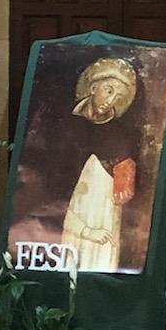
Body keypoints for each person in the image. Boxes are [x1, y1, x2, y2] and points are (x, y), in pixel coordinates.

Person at [61, 58, 138, 271]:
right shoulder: (65, 124)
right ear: (93, 87)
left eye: (117, 97)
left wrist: (125, 177)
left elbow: (123, 186)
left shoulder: (119, 135)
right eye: (108, 90)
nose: (110, 100)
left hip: (103, 219)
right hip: (74, 221)